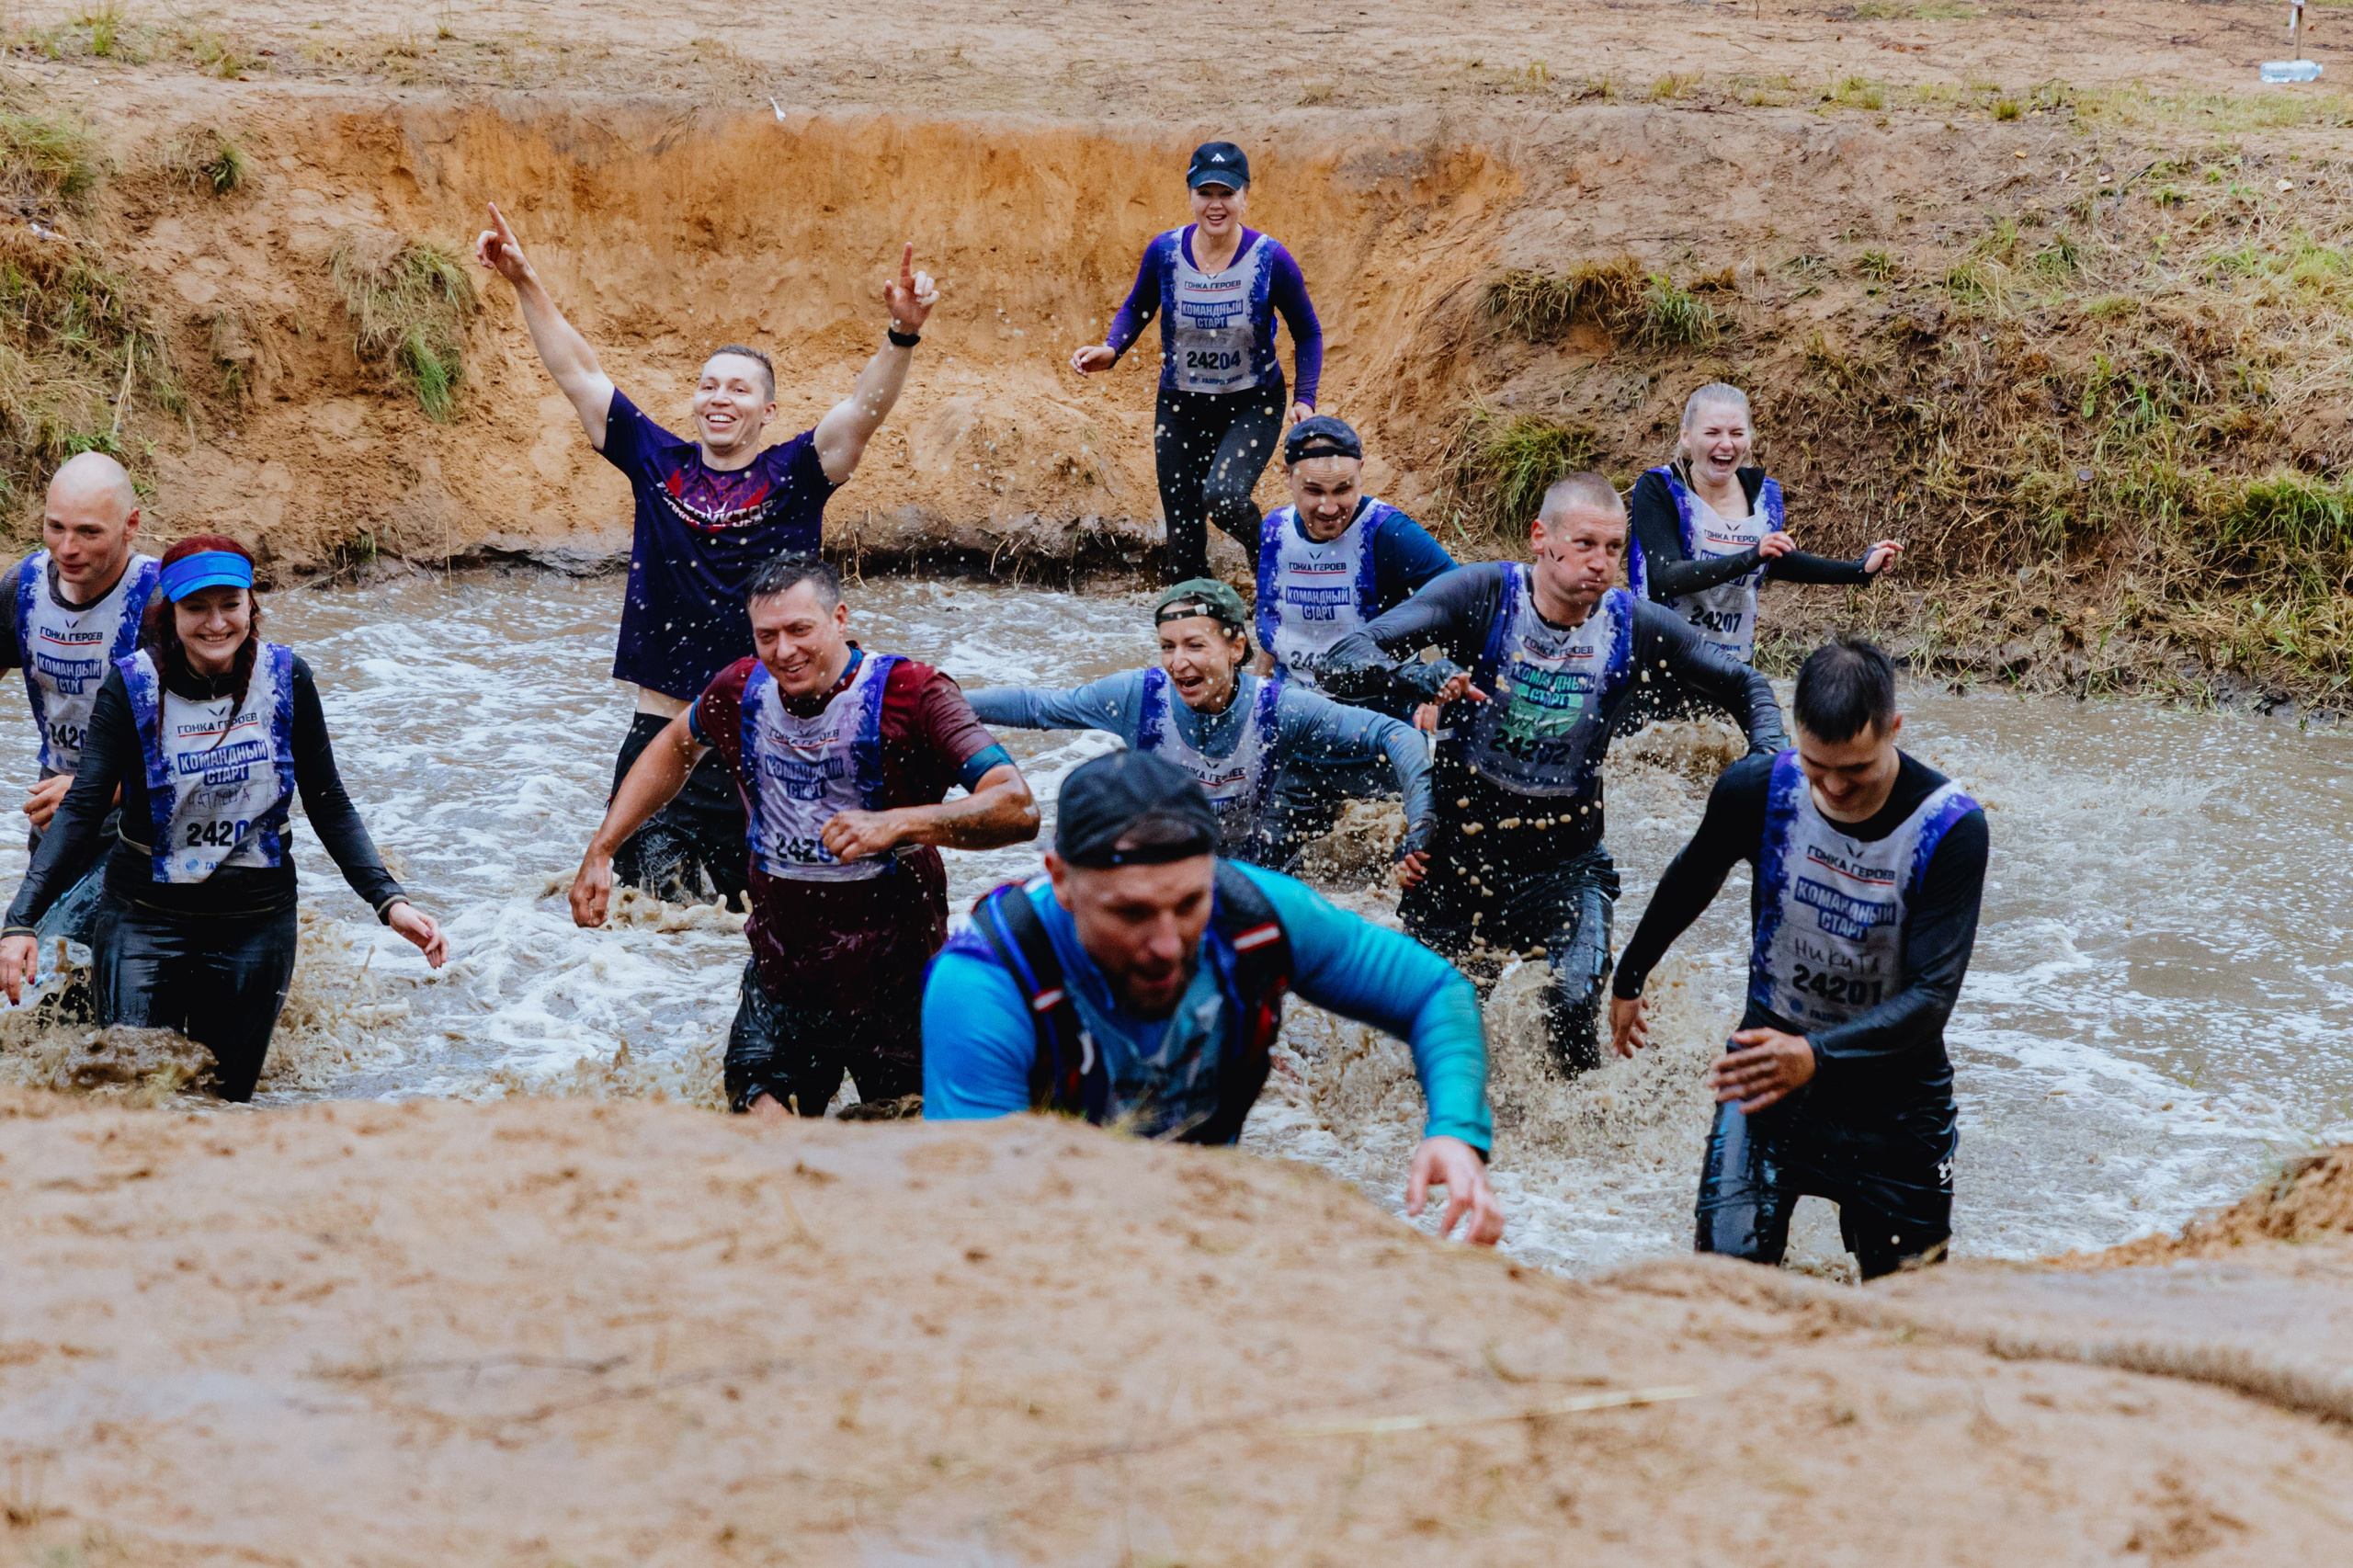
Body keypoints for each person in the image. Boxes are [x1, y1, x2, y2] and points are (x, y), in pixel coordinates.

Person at [475, 201, 938, 909]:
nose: (719, 397)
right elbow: (577, 370)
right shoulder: (654, 457)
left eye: (738, 388)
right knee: (642, 924)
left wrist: (902, 333)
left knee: (755, 915)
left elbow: (862, 410)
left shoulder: (797, 473)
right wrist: (524, 281)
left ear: (767, 411)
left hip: (764, 735)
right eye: (708, 385)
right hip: (660, 728)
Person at [923, 749, 1503, 1245]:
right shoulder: (987, 985)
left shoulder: (1254, 916)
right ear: (1060, 880)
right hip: (1051, 1227)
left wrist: (1455, 1131)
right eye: (1131, 913)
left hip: (1199, 1213)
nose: (1167, 945)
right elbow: (979, 1218)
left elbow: (1434, 991)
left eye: (1189, 903)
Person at [1321, 472, 1786, 1077]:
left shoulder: (1633, 625)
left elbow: (1744, 683)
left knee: (1572, 1011)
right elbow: (1345, 659)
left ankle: (1585, 1146)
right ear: (1543, 538)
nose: (1601, 563)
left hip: (1565, 866)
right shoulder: (1482, 594)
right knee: (1437, 1045)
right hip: (1459, 861)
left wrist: (1766, 758)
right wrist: (1416, 679)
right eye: (1586, 544)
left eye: (1614, 549)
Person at [569, 553, 1038, 1120]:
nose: (784, 652)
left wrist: (899, 822)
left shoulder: (914, 692)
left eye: (800, 630)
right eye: (767, 636)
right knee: (759, 1117)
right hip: (784, 973)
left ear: (839, 619)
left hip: (895, 978)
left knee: (907, 1136)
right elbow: (676, 744)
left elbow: (1015, 805)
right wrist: (603, 848)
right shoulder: (740, 689)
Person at [0, 537, 449, 1101]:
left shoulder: (288, 680)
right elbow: (84, 806)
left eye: (230, 605)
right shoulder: (132, 684)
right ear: (170, 614)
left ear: (250, 607)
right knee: (135, 1095)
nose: (215, 624)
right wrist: (19, 922)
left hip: (254, 925)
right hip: (143, 921)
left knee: (222, 1102)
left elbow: (329, 802)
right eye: (196, 609)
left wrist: (390, 901)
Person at [1608, 638, 1985, 1280]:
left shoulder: (1949, 828)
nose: (1835, 787)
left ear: (1894, 728)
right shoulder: (1758, 789)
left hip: (1895, 1105)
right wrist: (1630, 975)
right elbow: (1692, 876)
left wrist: (1815, 1057)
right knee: (1723, 1287)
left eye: (1857, 769)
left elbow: (1930, 1000)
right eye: (1817, 766)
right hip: (1765, 1079)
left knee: (1912, 1313)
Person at [966, 578, 1435, 878]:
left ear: (1235, 648)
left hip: (1241, 871)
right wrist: (939, 698)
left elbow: (1397, 735)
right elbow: (1038, 707)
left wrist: (1421, 824)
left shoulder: (1279, 708)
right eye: (1167, 647)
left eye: (1194, 645)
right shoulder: (1138, 697)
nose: (1178, 663)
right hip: (1155, 869)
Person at [1069, 141, 1324, 583]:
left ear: (1245, 197)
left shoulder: (1270, 259)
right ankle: (1203, 628)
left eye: (1226, 194)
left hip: (1251, 404)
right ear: (1190, 196)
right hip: (1180, 407)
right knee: (1182, 543)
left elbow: (1308, 331)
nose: (1216, 205)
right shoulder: (1165, 252)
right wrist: (1112, 349)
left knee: (1223, 499)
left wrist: (1305, 398)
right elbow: (1139, 307)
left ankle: (1271, 558)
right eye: (1205, 193)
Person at [1252, 414, 1456, 850]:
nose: (1329, 507)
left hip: (1378, 742)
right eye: (1314, 491)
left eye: (1343, 489)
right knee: (1263, 869)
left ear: (1362, 474)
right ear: (1286, 477)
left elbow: (1471, 605)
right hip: (1296, 742)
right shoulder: (1273, 531)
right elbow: (1276, 631)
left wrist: (1444, 695)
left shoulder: (1391, 533)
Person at [0, 453, 162, 961]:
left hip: (146, 820)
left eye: (89, 533)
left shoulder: (162, 602)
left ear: (130, 525)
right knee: (43, 974)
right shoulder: (21, 588)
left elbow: (205, 736)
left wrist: (103, 788)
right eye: (55, 527)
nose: (67, 549)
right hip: (57, 812)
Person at [1629, 383, 1901, 666]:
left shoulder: (1764, 498)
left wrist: (1859, 569)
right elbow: (1666, 576)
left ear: (1749, 438)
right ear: (1687, 436)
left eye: (1736, 433)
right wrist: (1751, 555)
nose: (1726, 444)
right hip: (1659, 664)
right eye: (1712, 433)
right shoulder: (1660, 488)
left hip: (1731, 666)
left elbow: (1776, 561)